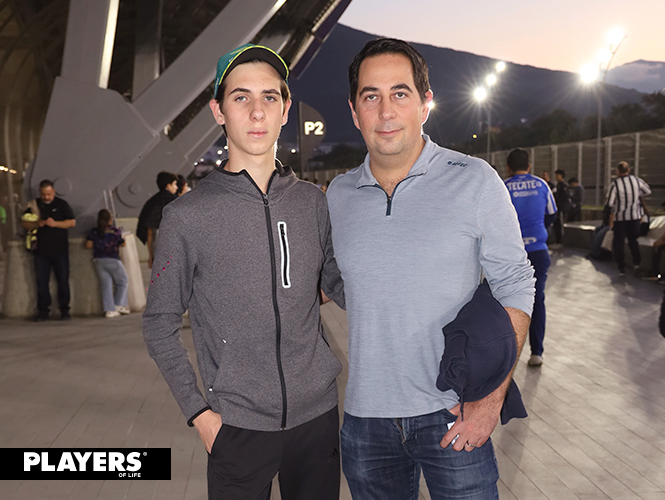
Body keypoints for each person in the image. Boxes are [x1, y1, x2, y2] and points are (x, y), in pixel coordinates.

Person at [326, 38, 535, 500]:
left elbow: (516, 284)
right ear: (354, 111)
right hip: (365, 420)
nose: (385, 111)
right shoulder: (337, 196)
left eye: (400, 93)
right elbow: (339, 284)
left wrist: (491, 400)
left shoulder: (473, 179)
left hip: (453, 411)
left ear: (425, 104)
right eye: (370, 96)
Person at [142, 44, 345, 500]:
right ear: (218, 111)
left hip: (317, 419)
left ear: (285, 109)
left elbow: (337, 284)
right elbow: (158, 323)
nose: (257, 111)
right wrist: (200, 415)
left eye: (269, 97)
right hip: (236, 427)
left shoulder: (312, 203)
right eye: (241, 97)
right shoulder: (187, 216)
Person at [505, 149, 557, 367]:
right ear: (529, 165)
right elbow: (552, 214)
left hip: (512, 253)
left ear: (508, 167)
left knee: (508, 302)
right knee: (537, 300)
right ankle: (537, 352)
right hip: (538, 250)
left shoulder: (503, 187)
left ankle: (507, 356)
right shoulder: (542, 184)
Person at [21, 179, 76, 321]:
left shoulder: (61, 205)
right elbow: (25, 223)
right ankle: (43, 311)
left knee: (63, 280)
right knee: (41, 282)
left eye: (49, 194)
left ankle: (65, 310)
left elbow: (71, 222)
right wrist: (37, 224)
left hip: (60, 250)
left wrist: (55, 223)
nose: (46, 197)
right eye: (43, 194)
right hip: (40, 251)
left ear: (54, 192)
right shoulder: (34, 205)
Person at [606, 160, 651, 276]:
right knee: (633, 240)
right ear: (629, 170)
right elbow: (647, 191)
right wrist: (636, 195)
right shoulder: (637, 180)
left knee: (619, 242)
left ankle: (621, 267)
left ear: (618, 171)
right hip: (635, 217)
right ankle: (636, 263)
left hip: (620, 218)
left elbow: (609, 202)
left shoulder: (615, 184)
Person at [85, 209, 130, 318]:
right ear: (110, 220)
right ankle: (119, 304)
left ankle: (109, 309)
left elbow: (88, 245)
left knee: (106, 284)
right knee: (123, 281)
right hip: (113, 259)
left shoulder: (94, 232)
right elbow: (122, 243)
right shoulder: (115, 231)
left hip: (99, 261)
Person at [136, 171, 178, 268]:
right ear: (168, 185)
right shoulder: (176, 202)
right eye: (174, 184)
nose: (176, 187)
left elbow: (150, 232)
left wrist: (151, 255)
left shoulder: (151, 202)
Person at [552, 169, 569, 246]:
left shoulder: (563, 186)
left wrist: (561, 206)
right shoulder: (557, 185)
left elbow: (564, 197)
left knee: (560, 224)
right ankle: (557, 241)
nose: (556, 177)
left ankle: (561, 241)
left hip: (561, 209)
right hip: (557, 208)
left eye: (557, 175)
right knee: (556, 225)